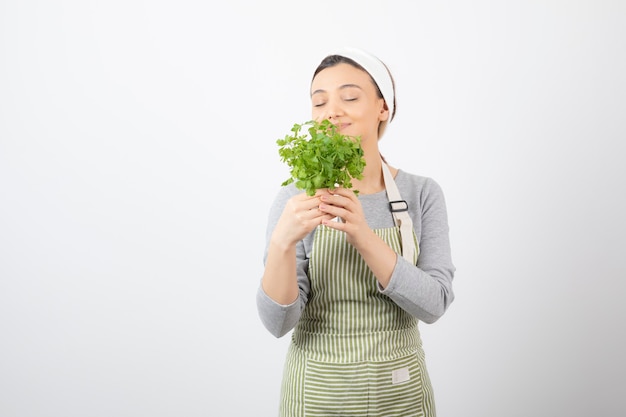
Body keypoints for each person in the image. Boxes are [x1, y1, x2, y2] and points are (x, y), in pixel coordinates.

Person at [256, 46, 455, 417]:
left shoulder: (422, 193)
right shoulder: (295, 197)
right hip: (318, 393)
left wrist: (363, 234)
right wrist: (282, 242)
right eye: (319, 102)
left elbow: (434, 304)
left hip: (401, 392)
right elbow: (278, 323)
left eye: (349, 96)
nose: (331, 110)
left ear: (383, 108)